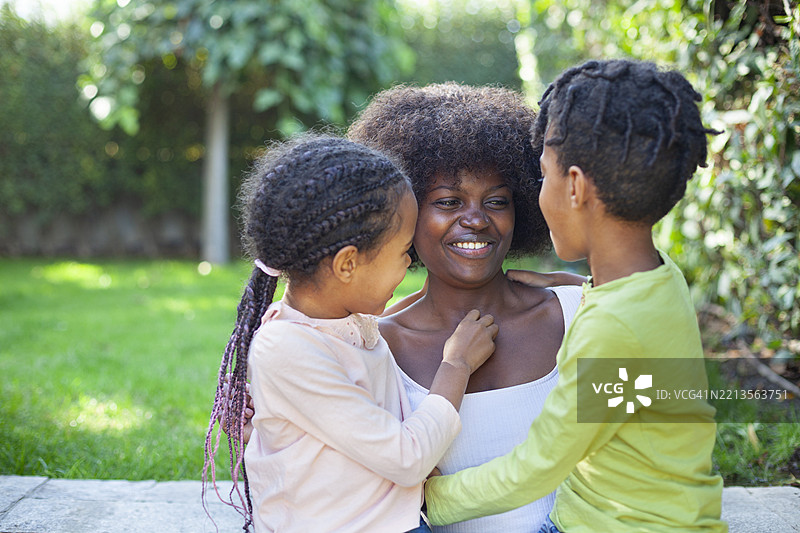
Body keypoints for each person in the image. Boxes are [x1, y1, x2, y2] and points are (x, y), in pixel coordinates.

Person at [423, 60, 726, 532]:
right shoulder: (661, 280)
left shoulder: (610, 328)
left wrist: (434, 500)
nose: (537, 193)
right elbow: (637, 375)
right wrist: (581, 289)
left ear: (576, 187)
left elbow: (538, 465)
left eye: (543, 176)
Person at [202, 134, 500, 533]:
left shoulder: (348, 325)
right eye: (403, 251)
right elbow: (408, 459)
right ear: (347, 265)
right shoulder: (287, 346)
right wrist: (456, 365)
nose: (409, 263)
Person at [348, 83, 584, 532]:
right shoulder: (376, 343)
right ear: (406, 213)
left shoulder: (575, 314)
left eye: (496, 201)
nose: (476, 219)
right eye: (449, 202)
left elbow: (644, 433)